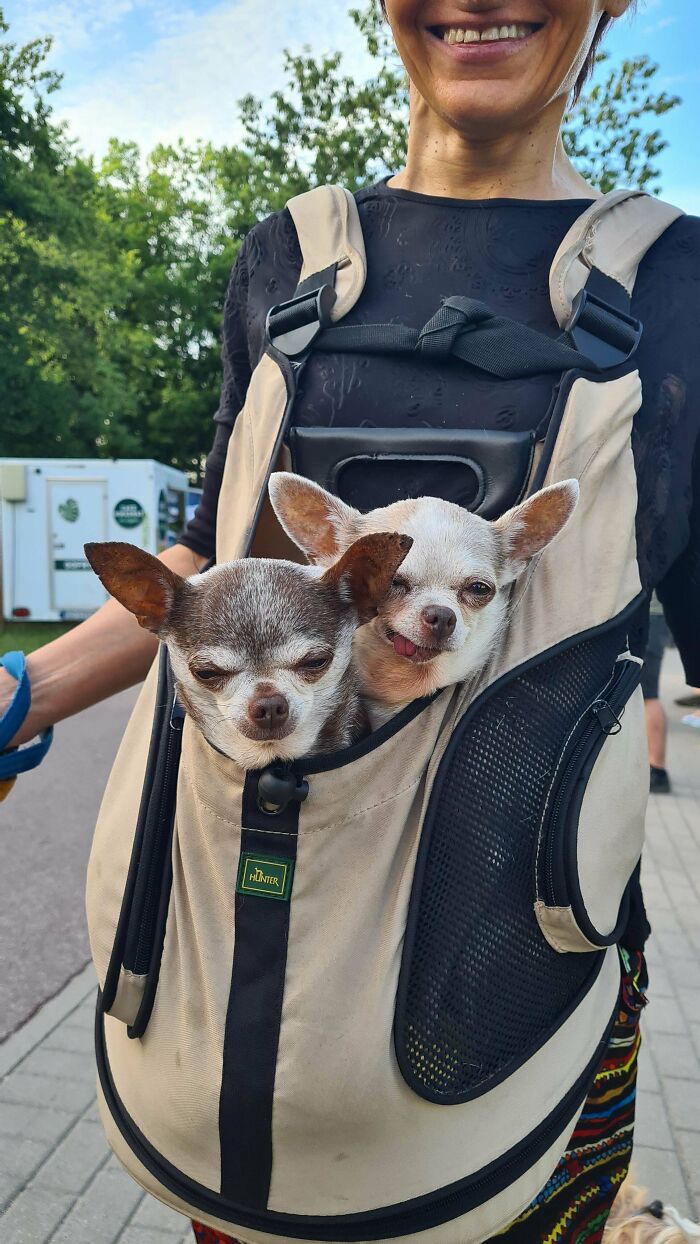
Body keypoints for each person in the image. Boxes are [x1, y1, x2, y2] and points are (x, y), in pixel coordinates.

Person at [2, 1, 699, 1241]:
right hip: (246, 983)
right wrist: (22, 698)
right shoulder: (289, 258)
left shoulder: (678, 284)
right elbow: (210, 559)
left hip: (518, 991)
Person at [643, 594, 672, 793]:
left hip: (651, 615)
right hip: (657, 616)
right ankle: (655, 767)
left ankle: (657, 769)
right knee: (646, 695)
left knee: (648, 695)